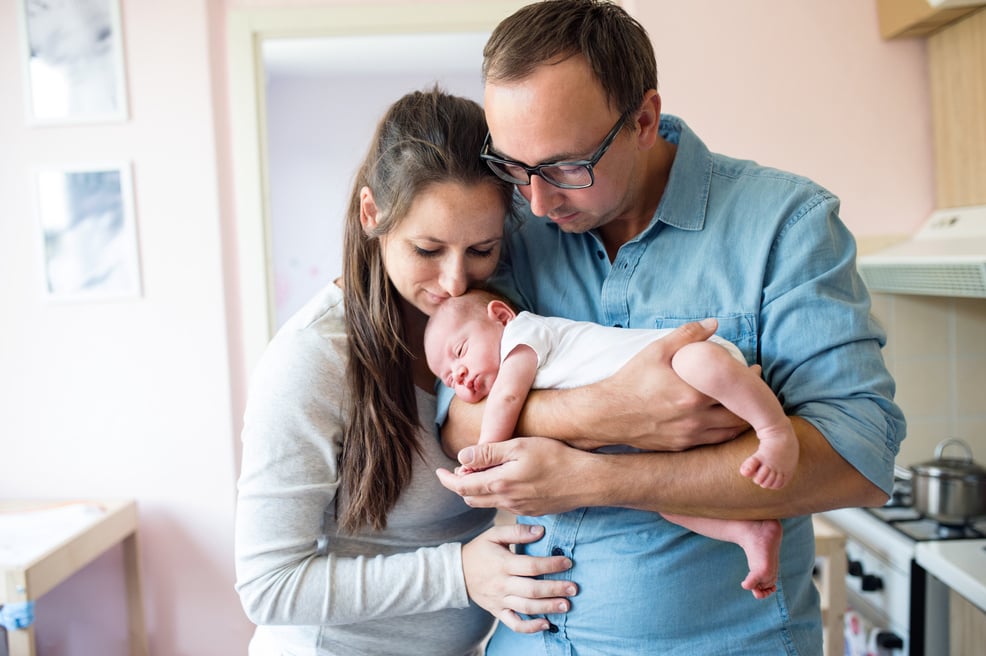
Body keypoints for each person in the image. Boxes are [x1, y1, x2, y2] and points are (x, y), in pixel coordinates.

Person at [435, 1, 907, 654]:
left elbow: (859, 457)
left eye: (567, 166)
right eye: (514, 168)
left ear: (644, 121)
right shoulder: (516, 231)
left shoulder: (784, 225)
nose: (538, 203)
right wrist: (612, 413)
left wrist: (595, 478)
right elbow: (456, 420)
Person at [233, 88, 580, 656]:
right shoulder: (311, 359)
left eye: (481, 249)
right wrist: (460, 573)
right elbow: (268, 586)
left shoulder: (496, 320)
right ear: (373, 214)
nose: (454, 282)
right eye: (427, 249)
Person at [425, 288, 795, 598]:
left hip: (682, 362)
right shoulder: (516, 366)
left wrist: (486, 457)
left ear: (501, 316)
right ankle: (749, 531)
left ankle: (774, 430)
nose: (457, 374)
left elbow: (506, 400)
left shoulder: (524, 335)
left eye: (460, 352)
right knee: (666, 502)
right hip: (666, 432)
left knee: (699, 361)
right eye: (447, 377)